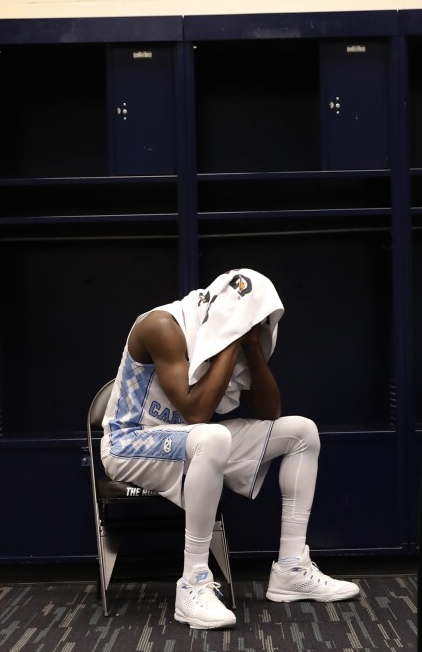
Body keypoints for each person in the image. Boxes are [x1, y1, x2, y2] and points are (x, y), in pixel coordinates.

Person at [100, 268, 359, 630]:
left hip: (189, 442)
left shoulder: (235, 342)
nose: (258, 329)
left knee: (302, 431)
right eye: (251, 321)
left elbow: (269, 413)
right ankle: (193, 584)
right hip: (129, 444)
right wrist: (232, 339)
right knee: (211, 436)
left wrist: (251, 347)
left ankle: (290, 569)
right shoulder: (163, 325)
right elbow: (195, 413)